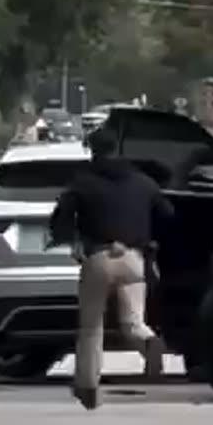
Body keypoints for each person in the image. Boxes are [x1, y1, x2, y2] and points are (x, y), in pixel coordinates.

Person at [49, 128, 174, 410]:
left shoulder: (83, 183)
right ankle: (150, 342)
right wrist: (150, 238)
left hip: (98, 257)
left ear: (92, 151)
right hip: (132, 257)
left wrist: (69, 240)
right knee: (133, 321)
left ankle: (88, 386)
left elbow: (61, 218)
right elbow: (168, 214)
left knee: (91, 327)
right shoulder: (143, 182)